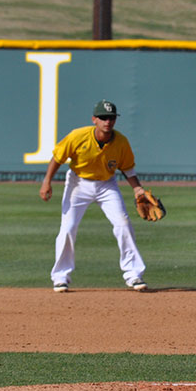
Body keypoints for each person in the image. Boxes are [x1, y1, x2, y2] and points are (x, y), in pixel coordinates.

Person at [39, 99, 148, 293]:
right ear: (94, 119)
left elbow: (128, 168)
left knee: (123, 224)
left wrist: (137, 189)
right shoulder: (77, 136)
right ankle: (60, 277)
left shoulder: (121, 142)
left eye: (111, 117)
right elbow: (57, 158)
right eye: (103, 117)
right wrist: (47, 181)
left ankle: (133, 274)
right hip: (78, 184)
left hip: (107, 185)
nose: (108, 121)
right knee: (68, 227)